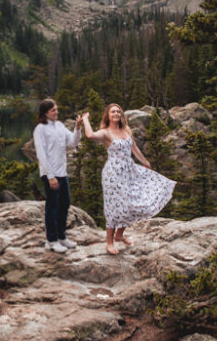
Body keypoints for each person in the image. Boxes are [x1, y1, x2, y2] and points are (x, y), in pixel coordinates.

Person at [82, 104, 175, 255]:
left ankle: (119, 234)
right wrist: (86, 119)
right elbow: (90, 136)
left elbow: (135, 148)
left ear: (122, 115)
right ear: (108, 115)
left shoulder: (126, 130)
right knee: (113, 207)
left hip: (129, 171)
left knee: (130, 203)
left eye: (119, 111)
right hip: (113, 174)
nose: (116, 113)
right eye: (113, 111)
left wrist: (145, 162)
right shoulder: (106, 133)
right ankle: (109, 243)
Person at [33, 99, 84, 254]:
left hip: (62, 173)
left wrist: (78, 127)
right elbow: (41, 154)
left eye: (56, 109)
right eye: (53, 110)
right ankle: (51, 240)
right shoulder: (40, 129)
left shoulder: (60, 126)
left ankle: (62, 237)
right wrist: (50, 176)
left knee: (65, 204)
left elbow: (73, 142)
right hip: (50, 174)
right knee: (53, 207)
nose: (56, 112)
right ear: (45, 113)